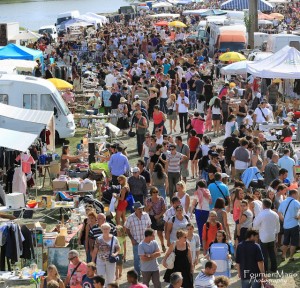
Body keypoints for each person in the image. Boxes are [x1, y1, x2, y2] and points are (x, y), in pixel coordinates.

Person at [125, 202, 152, 278]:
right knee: (137, 260)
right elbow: (126, 228)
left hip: (145, 241)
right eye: (139, 209)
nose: (140, 210)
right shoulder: (130, 218)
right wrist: (131, 239)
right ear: (135, 209)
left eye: (141, 208)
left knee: (147, 257)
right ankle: (137, 275)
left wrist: (150, 236)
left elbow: (149, 225)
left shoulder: (146, 215)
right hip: (136, 241)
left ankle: (146, 274)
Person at [253, 198, 280, 272]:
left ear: (263, 205)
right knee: (272, 253)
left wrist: (258, 227)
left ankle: (265, 269)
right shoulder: (275, 214)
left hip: (264, 237)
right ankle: (274, 268)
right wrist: (276, 234)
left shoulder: (261, 214)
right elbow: (278, 226)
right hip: (272, 236)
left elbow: (255, 225)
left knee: (264, 254)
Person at [278, 189, 300, 261]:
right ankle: (291, 257)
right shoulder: (295, 202)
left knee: (285, 242)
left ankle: (283, 256)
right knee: (293, 243)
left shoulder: (283, 202)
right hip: (294, 225)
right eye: (297, 194)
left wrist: (283, 220)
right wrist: (298, 217)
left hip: (286, 226)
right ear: (293, 194)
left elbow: (279, 212)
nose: (298, 195)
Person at [145, 187, 166, 252]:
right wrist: (149, 206)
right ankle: (154, 247)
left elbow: (164, 209)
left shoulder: (161, 199)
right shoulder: (149, 200)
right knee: (152, 233)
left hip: (160, 217)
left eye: (156, 192)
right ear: (151, 193)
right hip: (151, 217)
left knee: (160, 233)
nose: (155, 193)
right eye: (154, 192)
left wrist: (159, 216)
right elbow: (146, 210)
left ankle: (162, 244)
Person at [191, 180, 211, 245]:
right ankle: (207, 241)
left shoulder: (197, 192)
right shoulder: (208, 192)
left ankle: (202, 243)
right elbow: (210, 202)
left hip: (199, 211)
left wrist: (191, 212)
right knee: (207, 227)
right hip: (206, 211)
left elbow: (193, 204)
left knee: (200, 228)